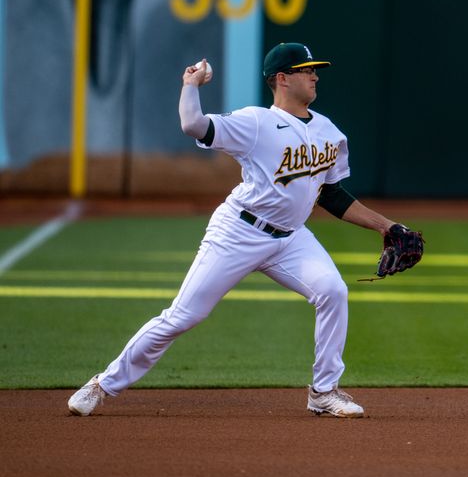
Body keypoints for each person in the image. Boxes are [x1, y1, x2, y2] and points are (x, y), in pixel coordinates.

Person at [68, 42, 413, 418]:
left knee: (332, 291)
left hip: (291, 238)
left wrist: (387, 226)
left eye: (315, 69)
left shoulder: (329, 131)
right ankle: (102, 384)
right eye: (306, 69)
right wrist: (190, 84)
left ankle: (324, 391)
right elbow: (193, 125)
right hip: (239, 231)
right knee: (184, 316)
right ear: (282, 79)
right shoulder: (255, 123)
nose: (315, 75)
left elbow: (331, 195)